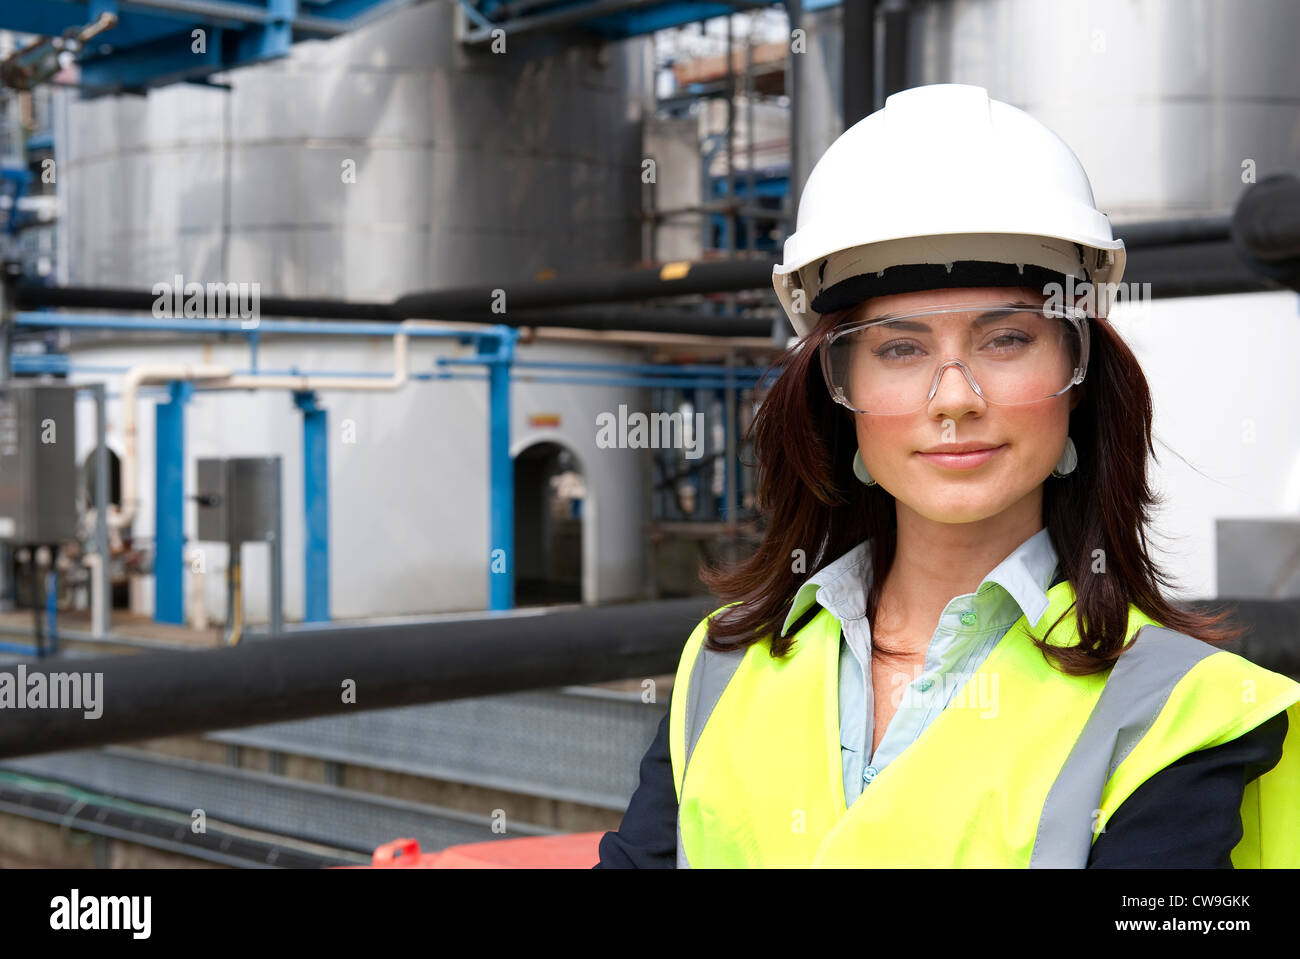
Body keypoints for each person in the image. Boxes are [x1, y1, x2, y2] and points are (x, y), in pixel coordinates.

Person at [596, 83, 1300, 868]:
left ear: (1077, 371)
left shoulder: (1182, 709)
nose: (956, 398)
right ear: (843, 392)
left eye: (1005, 339)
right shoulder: (723, 668)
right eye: (900, 349)